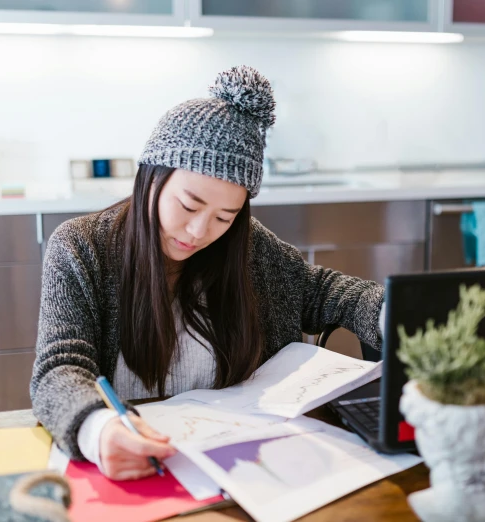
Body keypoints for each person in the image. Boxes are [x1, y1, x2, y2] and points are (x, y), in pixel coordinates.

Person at [31, 65, 386, 481]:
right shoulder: (80, 247)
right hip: (135, 467)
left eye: (224, 217)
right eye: (188, 205)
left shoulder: (247, 248)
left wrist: (394, 312)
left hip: (243, 466)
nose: (200, 232)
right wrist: (98, 429)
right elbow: (58, 371)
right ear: (152, 180)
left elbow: (326, 291)